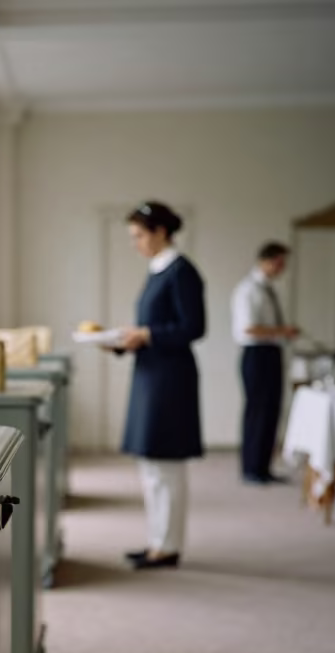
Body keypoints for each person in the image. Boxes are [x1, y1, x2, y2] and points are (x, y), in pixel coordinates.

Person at [115, 201, 207, 570]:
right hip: (151, 373)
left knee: (166, 465)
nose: (135, 243)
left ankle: (168, 547)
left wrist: (147, 335)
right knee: (150, 463)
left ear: (161, 232)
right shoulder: (157, 271)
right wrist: (126, 340)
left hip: (171, 378)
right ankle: (156, 540)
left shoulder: (182, 272)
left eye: (139, 235)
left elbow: (194, 327)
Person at [232, 242, 300, 484]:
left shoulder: (268, 289)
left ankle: (264, 466)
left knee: (272, 411)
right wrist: (283, 330)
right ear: (266, 260)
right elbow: (248, 328)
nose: (282, 268)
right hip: (256, 354)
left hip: (271, 353)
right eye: (279, 262)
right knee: (257, 411)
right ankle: (251, 468)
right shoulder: (248, 290)